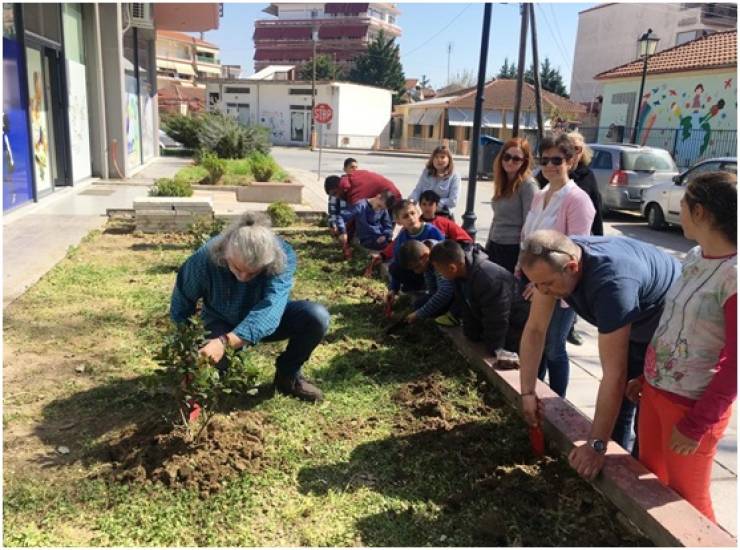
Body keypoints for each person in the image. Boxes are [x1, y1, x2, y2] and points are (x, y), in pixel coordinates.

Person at [518, 229, 681, 480]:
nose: (542, 291)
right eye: (536, 283)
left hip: (668, 327)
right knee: (617, 412)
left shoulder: (611, 285)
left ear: (572, 267)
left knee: (643, 409)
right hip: (635, 312)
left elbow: (614, 375)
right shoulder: (556, 264)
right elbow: (535, 330)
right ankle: (610, 468)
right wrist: (528, 391)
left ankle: (637, 477)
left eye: (547, 284)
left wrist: (595, 445)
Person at [626, 172, 736, 523]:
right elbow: (673, 324)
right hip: (656, 394)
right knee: (649, 483)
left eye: (685, 204)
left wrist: (696, 425)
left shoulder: (733, 276)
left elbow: (736, 365)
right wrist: (646, 378)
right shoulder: (693, 257)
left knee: (689, 505)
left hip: (691, 408)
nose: (681, 210)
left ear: (700, 212)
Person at [169, 213, 331, 402]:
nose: (244, 278)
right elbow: (182, 303)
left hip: (267, 320)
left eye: (253, 273)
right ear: (225, 254)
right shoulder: (205, 258)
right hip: (221, 319)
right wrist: (189, 347)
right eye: (237, 269)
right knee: (214, 369)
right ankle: (211, 378)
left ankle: (288, 376)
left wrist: (223, 343)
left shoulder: (282, 256)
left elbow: (270, 309)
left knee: (316, 317)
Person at [521, 132, 595, 399]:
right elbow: (528, 235)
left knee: (554, 347)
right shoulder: (539, 195)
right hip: (537, 283)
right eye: (545, 160)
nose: (550, 166)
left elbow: (576, 250)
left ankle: (558, 402)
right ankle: (536, 393)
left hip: (561, 287)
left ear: (571, 161)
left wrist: (538, 281)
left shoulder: (577, 200)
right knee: (536, 341)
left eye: (557, 160)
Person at [430, 239, 528, 354]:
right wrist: (472, 334)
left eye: (440, 271)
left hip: (518, 327)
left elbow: (497, 318)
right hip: (500, 324)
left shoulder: (488, 279)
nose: (440, 274)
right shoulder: (459, 276)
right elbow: (466, 306)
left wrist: (494, 349)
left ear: (452, 268)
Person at [564, 131, 604, 347]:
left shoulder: (588, 176)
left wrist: (599, 240)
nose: (574, 152)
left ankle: (570, 326)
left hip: (581, 241)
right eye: (570, 146)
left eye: (578, 148)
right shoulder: (556, 170)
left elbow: (596, 209)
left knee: (574, 285)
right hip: (559, 239)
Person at [485, 137, 538, 274]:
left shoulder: (528, 185)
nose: (510, 162)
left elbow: (530, 225)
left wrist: (521, 261)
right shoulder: (502, 182)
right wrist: (487, 246)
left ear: (524, 161)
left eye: (516, 159)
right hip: (495, 245)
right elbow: (496, 218)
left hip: (513, 249)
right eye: (507, 157)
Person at [385, 199, 444, 308]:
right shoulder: (402, 237)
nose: (410, 218)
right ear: (398, 221)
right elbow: (397, 260)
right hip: (417, 271)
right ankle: (415, 289)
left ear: (418, 213)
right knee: (394, 267)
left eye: (412, 213)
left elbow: (444, 254)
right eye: (405, 216)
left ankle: (428, 290)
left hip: (435, 273)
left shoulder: (432, 231)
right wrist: (393, 289)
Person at [398, 239, 456, 325]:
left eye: (417, 267)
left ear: (425, 257)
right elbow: (432, 290)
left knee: (423, 307)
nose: (416, 272)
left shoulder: (439, 259)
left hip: (459, 294)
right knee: (419, 304)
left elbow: (445, 292)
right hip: (448, 291)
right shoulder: (427, 256)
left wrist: (418, 314)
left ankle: (455, 314)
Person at [409, 145, 460, 218]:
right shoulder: (427, 172)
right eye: (436, 157)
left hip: (443, 215)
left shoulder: (454, 176)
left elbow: (453, 201)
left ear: (449, 159)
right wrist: (411, 201)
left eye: (442, 157)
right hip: (426, 214)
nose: (439, 160)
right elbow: (418, 189)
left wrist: (435, 204)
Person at [324, 169, 401, 206]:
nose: (336, 197)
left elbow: (354, 216)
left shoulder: (354, 192)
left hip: (391, 198)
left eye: (335, 193)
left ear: (339, 187)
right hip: (382, 198)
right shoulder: (348, 179)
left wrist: (344, 233)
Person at [327, 158, 358, 245]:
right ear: (345, 169)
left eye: (356, 167)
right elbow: (332, 210)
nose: (354, 170)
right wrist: (333, 224)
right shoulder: (337, 186)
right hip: (341, 221)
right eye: (352, 167)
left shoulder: (357, 185)